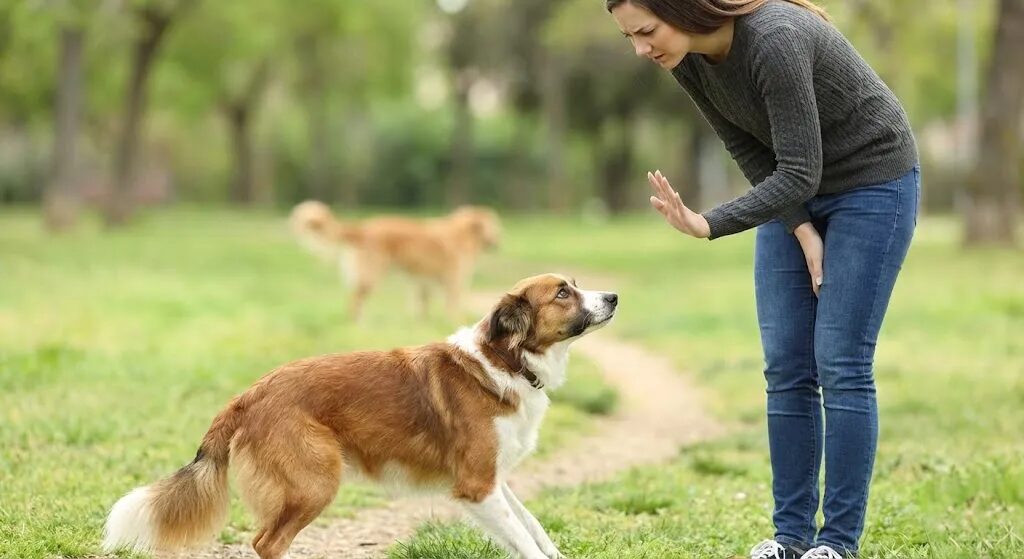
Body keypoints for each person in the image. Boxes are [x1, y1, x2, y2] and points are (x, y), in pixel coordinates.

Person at [606, 1, 920, 558]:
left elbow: (801, 168)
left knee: (841, 362)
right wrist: (800, 228)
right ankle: (791, 538)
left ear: (682, 9)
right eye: (630, 36)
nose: (640, 49)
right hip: (798, 190)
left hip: (873, 183)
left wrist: (709, 224)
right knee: (785, 366)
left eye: (647, 31)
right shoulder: (687, 59)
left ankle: (837, 544)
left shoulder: (774, 39)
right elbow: (748, 146)